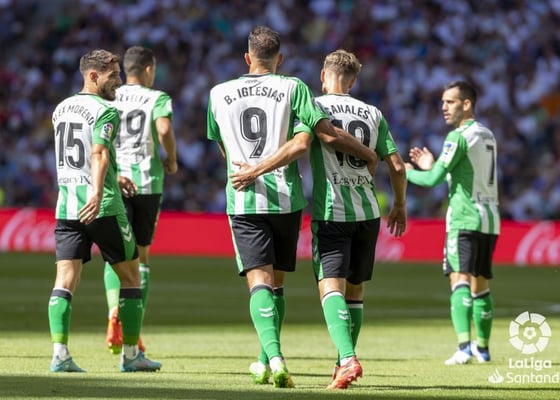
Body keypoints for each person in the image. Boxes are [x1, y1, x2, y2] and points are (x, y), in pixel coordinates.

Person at [207, 26, 377, 388]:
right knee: (277, 282)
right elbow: (306, 142)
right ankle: (266, 358)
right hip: (286, 198)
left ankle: (274, 357)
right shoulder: (293, 87)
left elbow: (222, 145)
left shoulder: (218, 93)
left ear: (247, 57)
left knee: (260, 282)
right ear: (280, 58)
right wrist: (368, 154)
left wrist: (249, 170)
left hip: (244, 197)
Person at [296, 49, 407, 389]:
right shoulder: (373, 113)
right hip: (368, 213)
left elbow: (302, 143)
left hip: (333, 210)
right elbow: (397, 166)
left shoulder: (314, 106)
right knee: (355, 291)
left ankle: (347, 359)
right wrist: (400, 205)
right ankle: (342, 362)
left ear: (323, 75)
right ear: (354, 81)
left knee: (330, 286)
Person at [48, 49, 161, 373]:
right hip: (103, 207)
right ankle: (131, 355)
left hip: (68, 207)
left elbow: (79, 154)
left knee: (65, 279)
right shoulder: (106, 111)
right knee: (131, 275)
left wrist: (114, 176)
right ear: (93, 76)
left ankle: (59, 354)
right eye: (113, 76)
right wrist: (99, 191)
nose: (119, 81)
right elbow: (98, 153)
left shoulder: (61, 109)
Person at [405, 80, 500, 365]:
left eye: (450, 102)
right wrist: (432, 165)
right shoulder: (487, 134)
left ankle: (463, 348)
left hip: (464, 217)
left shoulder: (457, 136)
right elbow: (462, 173)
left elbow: (432, 180)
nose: (443, 107)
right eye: (443, 102)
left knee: (459, 280)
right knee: (481, 283)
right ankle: (483, 349)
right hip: (490, 218)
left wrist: (405, 172)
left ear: (466, 104)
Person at [103, 45, 178, 355]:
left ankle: (113, 312)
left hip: (115, 181)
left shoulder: (110, 96)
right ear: (148, 69)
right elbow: (164, 128)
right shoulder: (156, 98)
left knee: (115, 253)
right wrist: (171, 158)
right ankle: (134, 328)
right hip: (147, 183)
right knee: (141, 257)